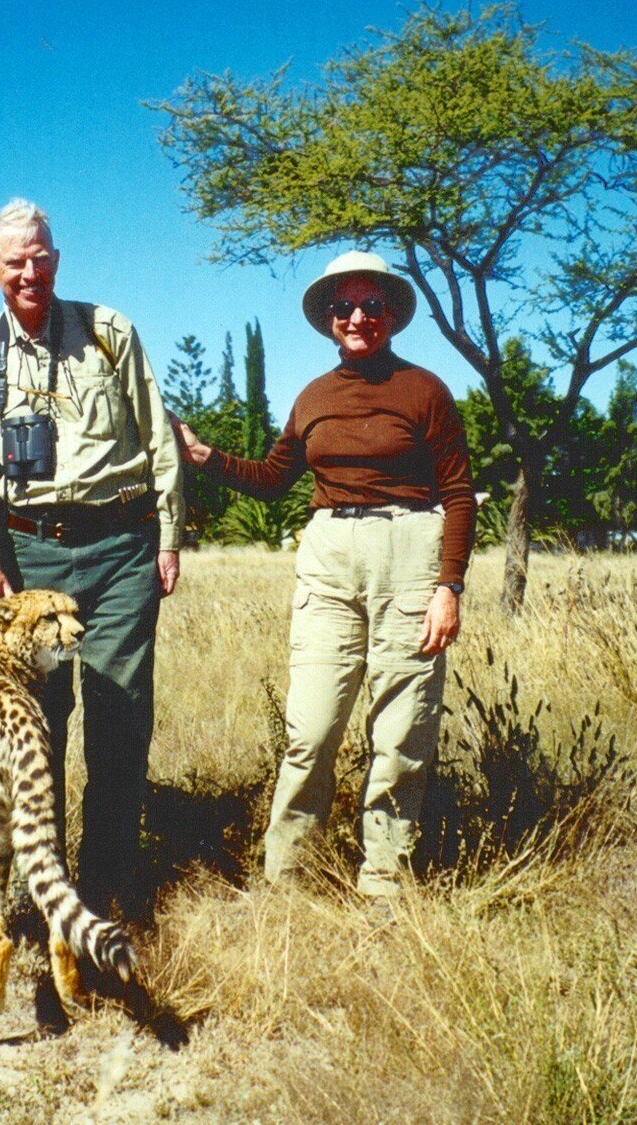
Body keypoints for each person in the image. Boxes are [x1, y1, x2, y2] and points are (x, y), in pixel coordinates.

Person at [176, 251, 476, 911]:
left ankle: (384, 883)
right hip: (329, 552)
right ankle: (287, 878)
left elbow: (458, 493)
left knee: (401, 731)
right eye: (344, 307)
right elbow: (275, 477)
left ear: (392, 314)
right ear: (329, 319)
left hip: (411, 550)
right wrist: (205, 458)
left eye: (372, 306)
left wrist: (448, 585)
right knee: (311, 728)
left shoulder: (426, 390)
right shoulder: (311, 396)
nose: (358, 318)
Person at [0, 199, 183, 919]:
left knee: (120, 719)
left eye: (41, 256)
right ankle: (43, 897)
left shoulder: (111, 334)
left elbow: (158, 436)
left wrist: (168, 536)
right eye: (15, 262)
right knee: (33, 732)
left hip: (121, 549)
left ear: (58, 259)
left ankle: (106, 893)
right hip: (29, 554)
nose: (30, 271)